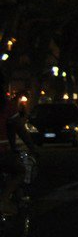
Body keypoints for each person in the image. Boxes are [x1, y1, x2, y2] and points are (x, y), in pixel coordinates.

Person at [1, 69, 36, 217]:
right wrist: (32, 148)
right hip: (1, 151)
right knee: (20, 171)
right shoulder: (5, 105)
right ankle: (3, 200)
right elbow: (18, 128)